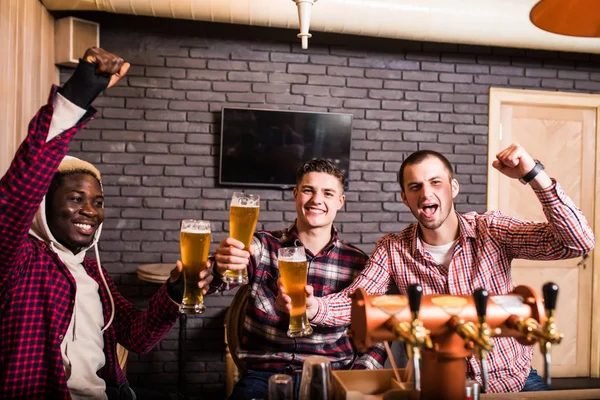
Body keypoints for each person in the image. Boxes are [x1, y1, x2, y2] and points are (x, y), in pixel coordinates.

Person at [279, 144, 594, 393]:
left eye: (435, 183)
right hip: (435, 386)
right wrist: (313, 306)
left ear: (453, 187)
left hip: (510, 382)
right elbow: (358, 301)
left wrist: (534, 174)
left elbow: (577, 242)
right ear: (405, 198)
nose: (426, 193)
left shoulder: (492, 229)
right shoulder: (393, 248)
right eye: (415, 187)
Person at [0, 47, 212, 399]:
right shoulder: (18, 259)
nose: (91, 211)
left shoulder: (92, 271)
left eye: (98, 203)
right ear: (42, 207)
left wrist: (176, 290)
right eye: (75, 199)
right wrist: (77, 96)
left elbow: (138, 337)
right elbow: (17, 193)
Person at [211, 159, 386, 400]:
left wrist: (356, 382)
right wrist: (219, 267)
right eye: (308, 190)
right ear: (295, 195)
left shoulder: (359, 263)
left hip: (333, 377)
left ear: (340, 202)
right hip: (264, 377)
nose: (316, 199)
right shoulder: (263, 246)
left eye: (327, 193)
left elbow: (375, 335)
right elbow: (220, 280)